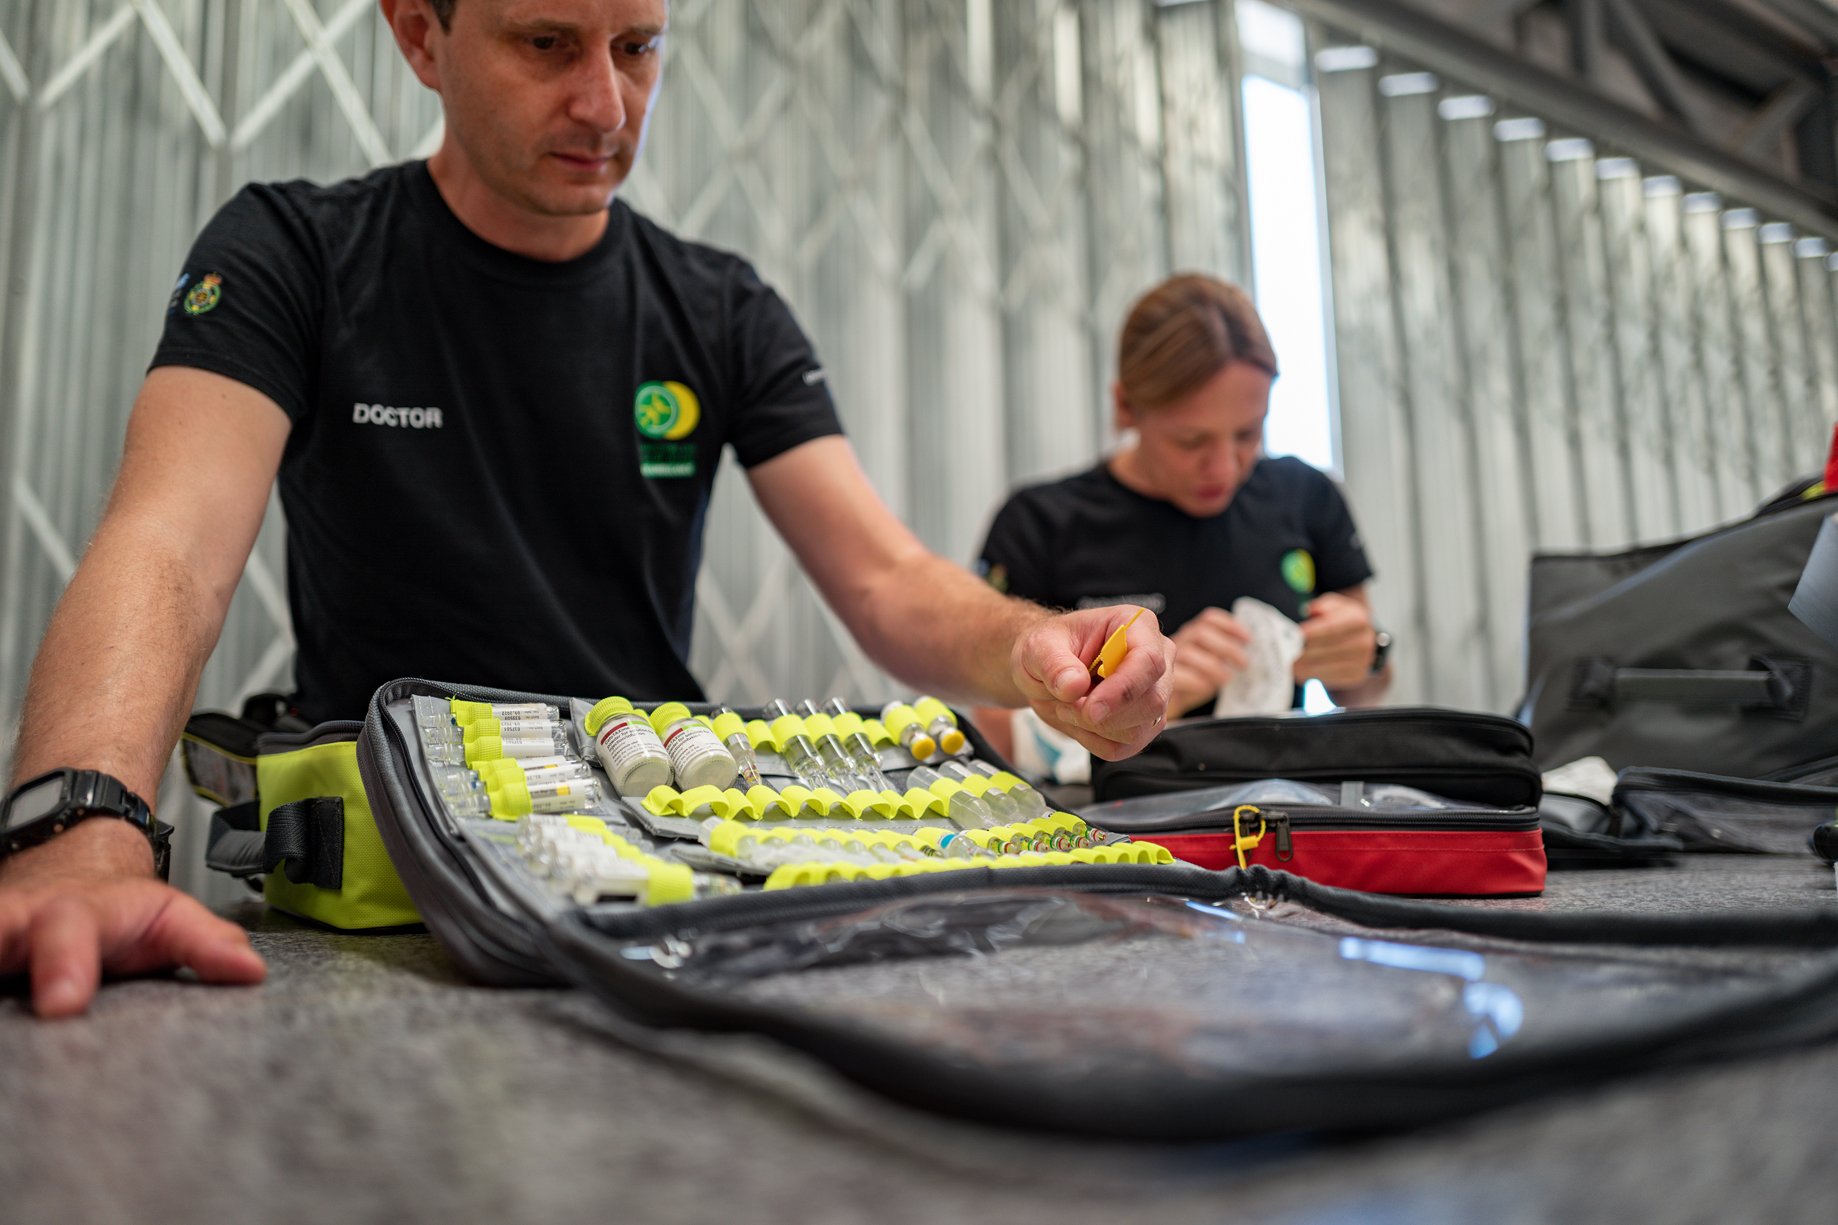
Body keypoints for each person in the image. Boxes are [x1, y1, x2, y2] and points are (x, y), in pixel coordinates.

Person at [0, 0, 1173, 1018]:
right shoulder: (293, 253)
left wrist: (1024, 646)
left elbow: (881, 579)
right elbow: (172, 542)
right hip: (383, 898)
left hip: (666, 881)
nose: (606, 104)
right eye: (547, 41)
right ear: (420, 34)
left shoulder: (719, 309)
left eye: (638, 46)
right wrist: (78, 834)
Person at [974, 273, 1386, 753]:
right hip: (1104, 818)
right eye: (1190, 441)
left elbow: (1366, 694)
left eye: (1249, 434)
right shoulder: (1040, 524)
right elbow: (990, 733)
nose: (1225, 468)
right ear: (1126, 406)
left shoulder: (1306, 497)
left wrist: (1368, 655)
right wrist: (1148, 693)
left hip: (1273, 803)